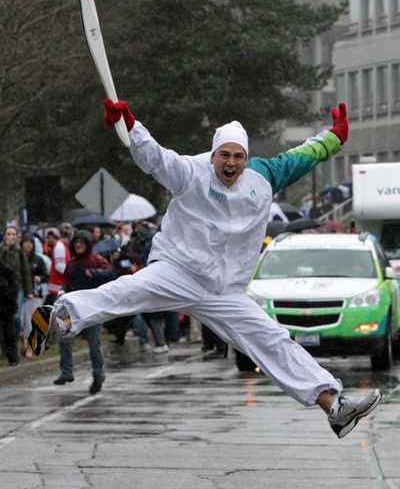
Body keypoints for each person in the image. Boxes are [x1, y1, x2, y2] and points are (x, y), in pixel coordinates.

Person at [29, 99, 382, 439]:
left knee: (271, 340)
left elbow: (303, 156)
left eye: (238, 157)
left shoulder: (264, 177)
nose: (231, 163)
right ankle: (59, 321)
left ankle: (334, 406)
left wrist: (334, 137)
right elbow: (156, 158)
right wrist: (131, 127)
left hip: (224, 290)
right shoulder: (190, 172)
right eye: (224, 155)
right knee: (126, 291)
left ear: (246, 159)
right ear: (213, 155)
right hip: (178, 270)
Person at [53, 230, 114, 394]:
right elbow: (65, 282)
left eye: (82, 242)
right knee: (65, 339)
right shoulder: (71, 263)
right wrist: (62, 292)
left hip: (92, 309)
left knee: (94, 344)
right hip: (73, 309)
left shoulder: (96, 259)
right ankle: (67, 372)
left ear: (87, 244)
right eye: (76, 242)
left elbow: (110, 272)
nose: (79, 245)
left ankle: (99, 375)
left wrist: (94, 273)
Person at [0, 225, 33, 361]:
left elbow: (25, 272)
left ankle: (16, 341)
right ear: (4, 236)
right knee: (4, 321)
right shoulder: (1, 251)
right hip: (2, 290)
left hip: (16, 289)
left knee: (16, 318)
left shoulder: (20, 253)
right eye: (8, 234)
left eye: (13, 234)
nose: (11, 237)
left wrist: (28, 290)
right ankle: (7, 347)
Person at [20, 233, 48, 358]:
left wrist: (39, 278)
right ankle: (25, 345)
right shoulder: (19, 258)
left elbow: (46, 276)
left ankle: (31, 348)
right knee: (21, 321)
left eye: (30, 242)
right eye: (25, 241)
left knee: (31, 321)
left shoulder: (39, 259)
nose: (27, 244)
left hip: (35, 294)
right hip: (20, 293)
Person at [43, 224, 72, 305]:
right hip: (58, 285)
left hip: (57, 285)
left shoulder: (60, 245)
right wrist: (70, 274)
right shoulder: (60, 246)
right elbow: (60, 267)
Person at [0, 256, 19, 365]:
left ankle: (12, 356)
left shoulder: (6, 269)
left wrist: (6, 295)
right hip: (6, 304)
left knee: (9, 332)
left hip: (6, 305)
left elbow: (14, 287)